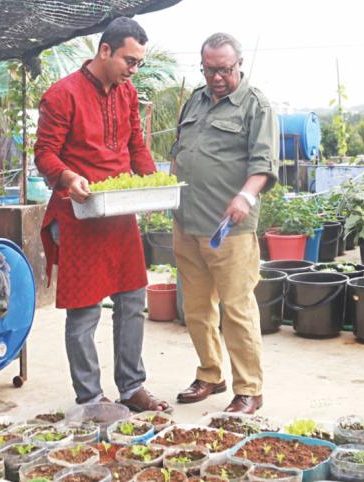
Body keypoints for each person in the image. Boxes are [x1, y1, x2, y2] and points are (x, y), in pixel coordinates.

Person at [35, 17, 170, 412]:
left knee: (132, 300)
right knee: (85, 309)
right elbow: (44, 153)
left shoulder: (127, 93)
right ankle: (91, 397)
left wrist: (155, 183)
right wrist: (67, 175)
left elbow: (135, 145)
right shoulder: (62, 95)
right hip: (78, 212)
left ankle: (131, 388)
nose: (134, 69)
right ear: (105, 50)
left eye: (139, 63)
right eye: (130, 60)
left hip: (119, 215)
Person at [170, 32, 278, 414]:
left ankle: (249, 388)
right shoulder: (195, 101)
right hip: (187, 222)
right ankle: (210, 375)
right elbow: (178, 155)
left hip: (230, 228)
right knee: (197, 308)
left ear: (239, 65)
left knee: (237, 308)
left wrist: (244, 196)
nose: (217, 77)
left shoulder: (256, 106)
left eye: (225, 70)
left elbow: (263, 165)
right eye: (210, 69)